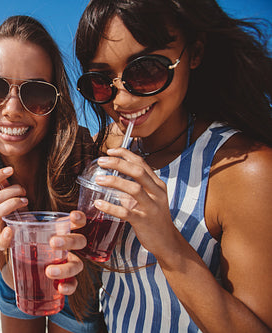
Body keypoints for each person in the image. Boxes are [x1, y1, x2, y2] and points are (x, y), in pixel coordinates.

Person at [72, 0, 272, 332]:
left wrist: (169, 246)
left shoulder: (244, 170)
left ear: (194, 53)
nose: (121, 99)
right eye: (102, 80)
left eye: (145, 70)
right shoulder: (102, 151)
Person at [0, 15, 105, 333]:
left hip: (80, 293)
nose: (13, 109)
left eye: (37, 94)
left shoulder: (85, 155)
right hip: (14, 281)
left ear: (56, 102)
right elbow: (5, 263)